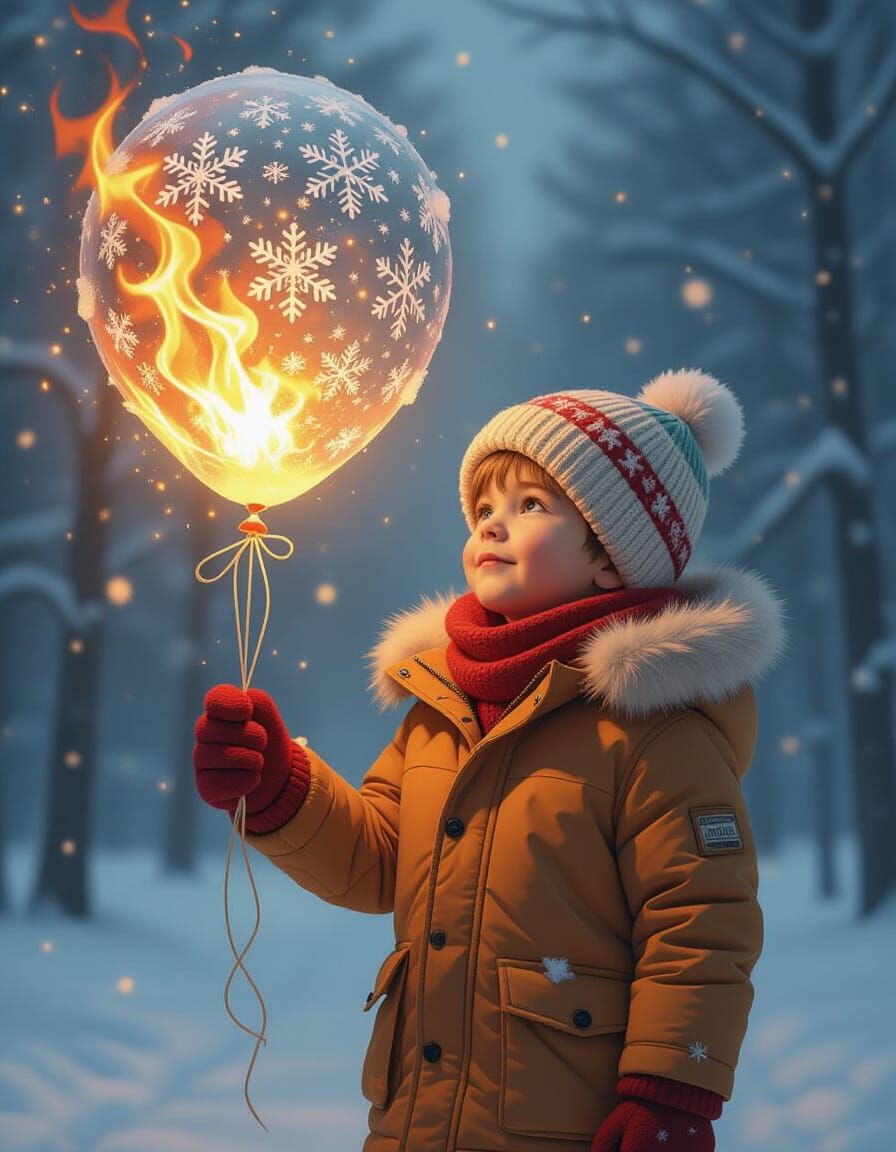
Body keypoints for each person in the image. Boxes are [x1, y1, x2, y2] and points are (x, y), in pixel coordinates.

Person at [194, 369, 788, 1152]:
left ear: (613, 558)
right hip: (415, 1122)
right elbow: (381, 860)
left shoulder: (653, 730)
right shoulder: (441, 709)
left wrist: (672, 1091)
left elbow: (700, 923)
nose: (493, 527)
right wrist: (283, 788)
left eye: (530, 505)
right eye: (483, 510)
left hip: (561, 1127)